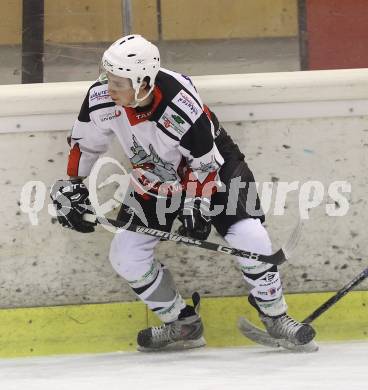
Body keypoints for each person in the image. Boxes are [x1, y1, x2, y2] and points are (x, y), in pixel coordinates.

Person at [50, 34, 316, 351]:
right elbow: (84, 143)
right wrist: (72, 186)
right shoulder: (100, 98)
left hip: (214, 168)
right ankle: (182, 323)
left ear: (143, 81)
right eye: (109, 78)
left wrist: (196, 203)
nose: (110, 88)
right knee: (126, 255)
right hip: (154, 177)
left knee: (251, 238)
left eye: (118, 81)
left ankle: (275, 317)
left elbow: (203, 162)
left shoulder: (179, 103)